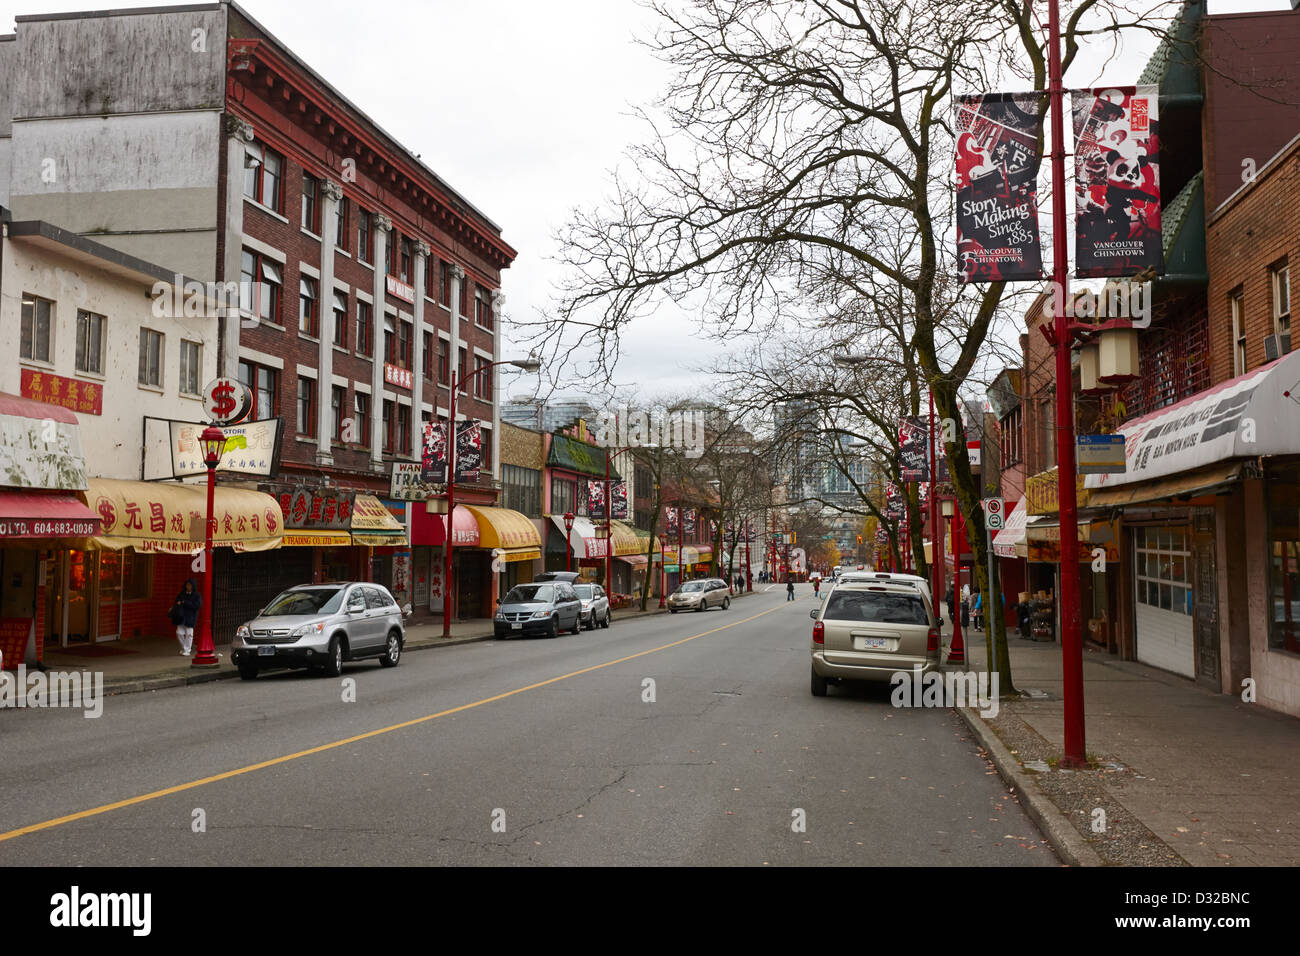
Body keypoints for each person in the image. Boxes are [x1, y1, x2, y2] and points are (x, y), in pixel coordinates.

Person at [171, 578, 202, 656]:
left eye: (190, 585)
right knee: (179, 633)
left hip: (191, 616)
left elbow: (197, 605)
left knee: (189, 634)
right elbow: (177, 601)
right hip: (181, 615)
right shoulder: (182, 594)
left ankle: (187, 650)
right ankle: (184, 648)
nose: (188, 586)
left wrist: (185, 602)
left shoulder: (197, 595)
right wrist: (178, 603)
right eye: (187, 585)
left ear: (193, 586)